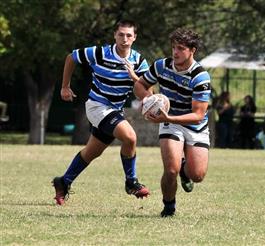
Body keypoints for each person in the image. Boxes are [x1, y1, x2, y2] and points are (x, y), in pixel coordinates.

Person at [52, 20, 150, 205]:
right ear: (115, 35)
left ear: (135, 37)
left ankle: (63, 182)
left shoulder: (138, 61)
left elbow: (148, 92)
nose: (124, 39)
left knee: (91, 152)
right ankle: (132, 182)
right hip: (97, 106)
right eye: (121, 34)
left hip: (114, 111)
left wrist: (135, 78)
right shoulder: (100, 53)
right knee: (130, 137)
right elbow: (71, 57)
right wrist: (65, 86)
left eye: (129, 35)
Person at [134, 28, 211, 217]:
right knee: (170, 170)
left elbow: (198, 114)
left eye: (181, 48)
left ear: (192, 50)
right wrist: (148, 100)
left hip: (194, 125)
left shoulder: (200, 77)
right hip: (170, 123)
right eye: (173, 47)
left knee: (197, 175)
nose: (175, 52)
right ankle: (169, 208)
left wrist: (168, 117)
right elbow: (139, 85)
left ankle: (186, 171)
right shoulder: (161, 66)